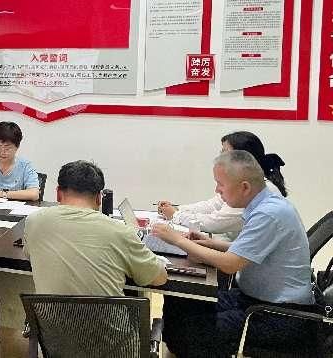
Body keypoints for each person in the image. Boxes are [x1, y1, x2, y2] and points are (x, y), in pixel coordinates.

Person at [153, 150, 315, 358]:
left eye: (220, 184)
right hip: (251, 299)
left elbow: (230, 264)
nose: (217, 190)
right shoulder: (263, 204)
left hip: (277, 315)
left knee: (189, 330)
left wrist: (177, 239)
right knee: (181, 298)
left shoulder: (268, 214)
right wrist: (209, 243)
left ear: (244, 187)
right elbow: (247, 250)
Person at [24, 160, 167, 296]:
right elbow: (159, 278)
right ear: (99, 198)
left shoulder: (33, 222)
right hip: (107, 315)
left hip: (49, 315)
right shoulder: (120, 232)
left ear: (58, 193)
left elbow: (29, 254)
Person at [157, 131, 287, 239]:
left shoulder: (256, 192)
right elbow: (213, 205)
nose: (217, 190)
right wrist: (178, 209)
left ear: (243, 158)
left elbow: (217, 222)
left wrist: (176, 216)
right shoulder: (250, 184)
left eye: (225, 152)